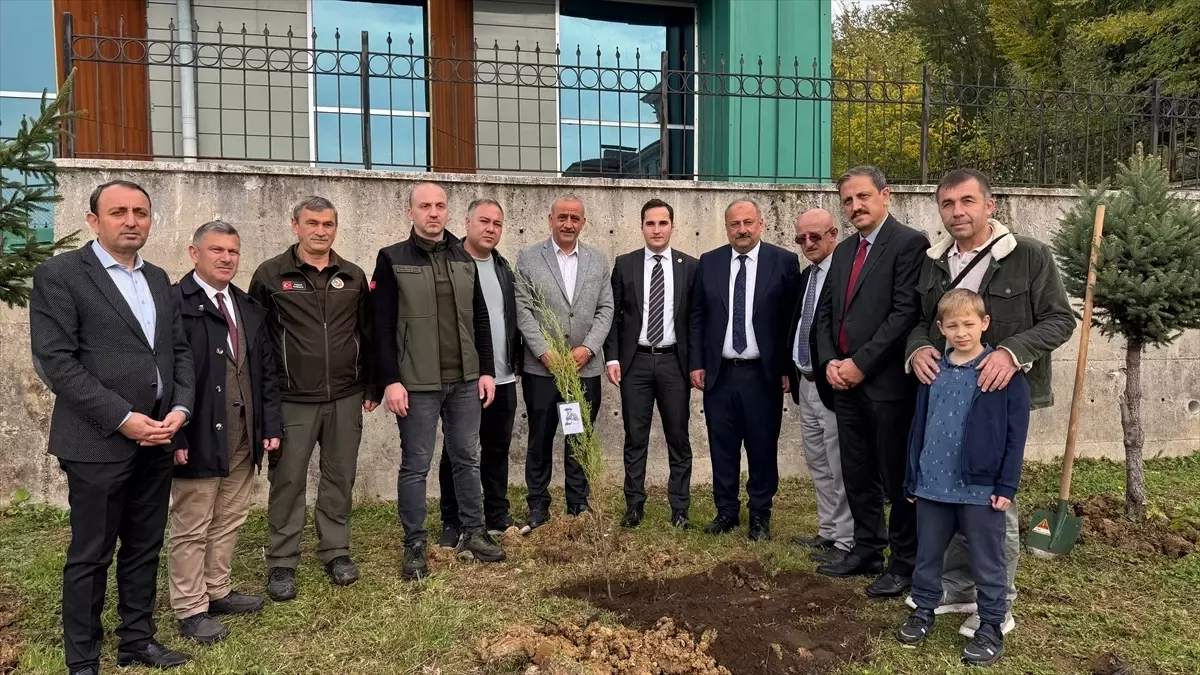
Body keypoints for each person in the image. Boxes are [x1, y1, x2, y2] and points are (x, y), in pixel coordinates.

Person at [30, 180, 195, 673]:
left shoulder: (157, 278)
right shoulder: (61, 275)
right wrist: (124, 419)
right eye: (118, 211)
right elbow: (57, 363)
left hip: (158, 437)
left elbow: (178, 352)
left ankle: (137, 641)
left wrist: (180, 409)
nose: (131, 221)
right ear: (93, 220)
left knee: (144, 547)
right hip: (97, 442)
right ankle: (83, 660)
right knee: (91, 554)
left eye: (140, 212)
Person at [904, 168, 1075, 637]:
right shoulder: (934, 262)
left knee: (992, 503)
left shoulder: (1028, 255)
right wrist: (917, 349)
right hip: (948, 393)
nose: (957, 212)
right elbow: (921, 321)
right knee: (947, 487)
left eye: (967, 201)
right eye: (947, 204)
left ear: (989, 205)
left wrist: (1012, 351)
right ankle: (959, 589)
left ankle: (999, 603)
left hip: (998, 397)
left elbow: (1061, 319)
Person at [371, 182, 502, 581]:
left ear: (448, 211)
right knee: (416, 464)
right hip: (416, 383)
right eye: (425, 206)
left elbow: (480, 318)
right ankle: (414, 543)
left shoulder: (464, 257)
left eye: (440, 205)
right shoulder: (392, 258)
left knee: (467, 457)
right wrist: (390, 381)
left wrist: (486, 370)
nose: (433, 212)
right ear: (410, 212)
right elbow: (381, 325)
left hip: (464, 381)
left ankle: (473, 532)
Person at [250, 196, 377, 602]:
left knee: (340, 476)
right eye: (312, 223)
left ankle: (336, 550)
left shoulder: (353, 276)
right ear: (295, 225)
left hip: (345, 396)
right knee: (288, 479)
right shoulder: (270, 275)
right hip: (292, 399)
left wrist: (371, 385)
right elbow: (258, 342)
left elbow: (367, 334)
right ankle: (282, 560)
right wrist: (265, 398)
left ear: (335, 228)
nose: (320, 231)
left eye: (327, 224)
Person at [896, 289, 1030, 668]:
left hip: (980, 489)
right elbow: (919, 428)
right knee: (928, 555)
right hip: (932, 485)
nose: (962, 332)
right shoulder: (933, 373)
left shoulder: (1003, 374)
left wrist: (1006, 485)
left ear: (984, 323)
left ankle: (991, 625)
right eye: (952, 326)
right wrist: (913, 477)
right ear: (940, 328)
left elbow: (1015, 436)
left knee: (988, 561)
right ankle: (923, 611)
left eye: (969, 324)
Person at [813, 166, 929, 598]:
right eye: (847, 200)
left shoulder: (909, 244)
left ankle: (904, 564)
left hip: (886, 386)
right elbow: (826, 313)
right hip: (845, 385)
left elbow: (904, 314)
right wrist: (830, 361)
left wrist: (860, 364)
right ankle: (866, 550)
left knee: (895, 478)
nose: (855, 206)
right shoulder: (844, 250)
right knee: (857, 471)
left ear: (886, 195)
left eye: (863, 196)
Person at [168, 221, 283, 644]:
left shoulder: (247, 306)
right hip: (197, 435)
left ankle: (216, 589)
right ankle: (190, 606)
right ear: (194, 253)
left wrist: (270, 424)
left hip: (244, 436)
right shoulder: (174, 303)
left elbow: (265, 371)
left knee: (230, 517)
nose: (226, 258)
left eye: (232, 251)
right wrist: (175, 435)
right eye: (216, 250)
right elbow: (165, 372)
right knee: (192, 523)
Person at [689, 199, 800, 540]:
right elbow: (697, 316)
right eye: (735, 224)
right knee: (722, 445)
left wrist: (786, 367)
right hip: (719, 374)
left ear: (761, 224)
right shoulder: (709, 262)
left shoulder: (783, 262)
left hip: (762, 375)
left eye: (748, 222)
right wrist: (697, 363)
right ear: (726, 228)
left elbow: (791, 320)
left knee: (762, 446)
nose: (742, 230)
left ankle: (760, 515)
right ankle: (726, 511)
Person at [515, 195, 615, 528]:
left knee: (578, 437)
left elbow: (606, 309)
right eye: (562, 217)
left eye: (575, 218)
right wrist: (545, 352)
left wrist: (588, 348)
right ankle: (538, 505)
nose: (568, 223)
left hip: (584, 369)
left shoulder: (598, 260)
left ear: (583, 223)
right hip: (542, 371)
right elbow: (523, 310)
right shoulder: (529, 257)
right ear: (550, 219)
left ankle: (577, 504)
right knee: (540, 439)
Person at [435, 198, 529, 548]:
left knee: (497, 448)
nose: (491, 229)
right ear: (467, 222)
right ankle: (452, 520)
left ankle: (497, 514)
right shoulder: (449, 262)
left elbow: (510, 319)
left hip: (502, 376)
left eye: (497, 224)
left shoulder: (502, 267)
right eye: (484, 221)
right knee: (457, 451)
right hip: (463, 379)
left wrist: (514, 363)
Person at [604, 198, 699, 529]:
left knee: (678, 437)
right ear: (642, 227)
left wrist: (695, 364)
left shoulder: (690, 266)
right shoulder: (625, 264)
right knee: (635, 437)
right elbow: (614, 315)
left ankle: (680, 507)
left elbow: (695, 319)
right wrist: (612, 357)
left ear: (672, 226)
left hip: (674, 363)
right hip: (636, 364)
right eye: (650, 223)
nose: (656, 230)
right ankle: (634, 505)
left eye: (662, 223)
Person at [785, 208, 853, 562]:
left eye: (815, 236)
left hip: (832, 383)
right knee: (818, 461)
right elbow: (798, 324)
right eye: (801, 238)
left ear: (833, 234)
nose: (808, 243)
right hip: (805, 381)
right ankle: (828, 530)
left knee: (839, 464)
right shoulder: (807, 276)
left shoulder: (843, 274)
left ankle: (847, 540)